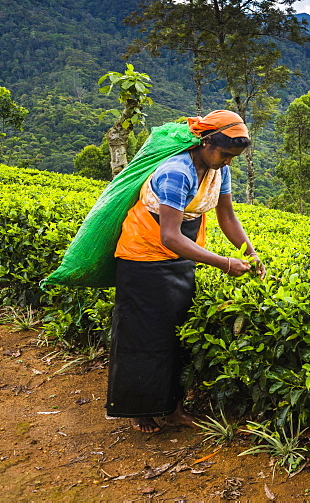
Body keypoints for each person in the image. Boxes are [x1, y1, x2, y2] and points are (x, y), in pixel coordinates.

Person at [105, 110, 265, 434]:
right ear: (206, 142)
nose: (228, 162)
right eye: (225, 154)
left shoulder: (219, 171)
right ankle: (139, 411)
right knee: (144, 337)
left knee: (175, 335)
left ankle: (173, 407)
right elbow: (170, 235)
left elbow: (228, 217)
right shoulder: (177, 172)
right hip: (143, 258)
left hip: (182, 255)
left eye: (234, 157)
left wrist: (251, 254)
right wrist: (224, 262)